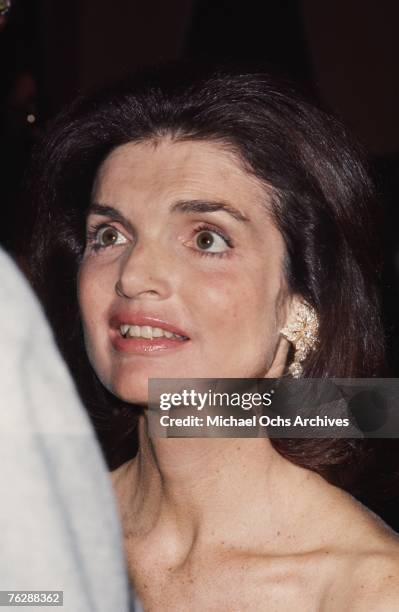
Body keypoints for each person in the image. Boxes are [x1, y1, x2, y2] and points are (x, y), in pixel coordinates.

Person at [27, 65, 399, 610]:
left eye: (206, 238)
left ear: (302, 300)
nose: (133, 275)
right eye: (108, 235)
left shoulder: (365, 590)